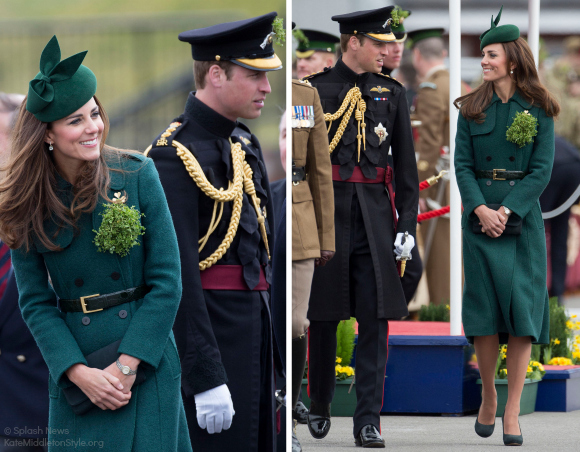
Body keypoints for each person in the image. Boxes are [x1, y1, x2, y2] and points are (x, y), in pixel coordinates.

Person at [0, 36, 191, 451]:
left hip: (145, 361)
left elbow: (167, 282)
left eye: (95, 114)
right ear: (47, 134)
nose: (94, 128)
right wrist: (75, 371)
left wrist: (126, 367)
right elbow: (34, 301)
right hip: (79, 372)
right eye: (76, 120)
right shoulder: (23, 201)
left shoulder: (137, 174)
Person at [145, 12, 281, 451]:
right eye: (255, 75)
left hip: (255, 332)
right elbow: (177, 275)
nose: (267, 87)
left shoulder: (243, 142)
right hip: (215, 341)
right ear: (217, 74)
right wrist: (204, 376)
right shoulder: (172, 156)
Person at [302, 6, 419, 447]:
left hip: (374, 218)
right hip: (327, 216)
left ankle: (368, 419)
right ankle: (320, 402)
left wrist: (406, 225)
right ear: (353, 42)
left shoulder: (392, 92)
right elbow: (297, 162)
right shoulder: (308, 91)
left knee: (375, 320)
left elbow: (405, 171)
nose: (388, 51)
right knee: (323, 316)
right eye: (379, 43)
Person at [454, 7, 559, 446]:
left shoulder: (540, 108)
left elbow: (541, 170)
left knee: (521, 316)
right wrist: (480, 210)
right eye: (483, 55)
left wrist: (509, 212)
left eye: (491, 54)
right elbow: (461, 165)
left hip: (521, 220)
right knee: (482, 315)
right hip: (479, 220)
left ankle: (513, 408)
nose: (483, 61)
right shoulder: (471, 107)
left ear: (512, 60)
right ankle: (488, 399)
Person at [291, 78, 335, 452]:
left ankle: (287, 412)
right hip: (246, 213)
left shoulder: (304, 95)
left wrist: (325, 236)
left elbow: (320, 169)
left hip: (297, 217)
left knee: (294, 323)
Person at [410, 28, 467, 306]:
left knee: (441, 258)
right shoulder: (460, 84)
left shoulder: (431, 88)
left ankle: (444, 315)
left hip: (440, 184)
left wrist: (421, 188)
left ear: (417, 55)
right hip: (463, 179)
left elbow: (428, 144)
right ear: (443, 54)